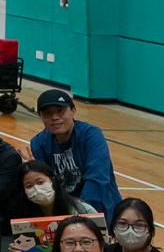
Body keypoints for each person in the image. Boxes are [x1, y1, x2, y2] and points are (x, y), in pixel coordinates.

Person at [28, 90, 119, 218]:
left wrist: (81, 213)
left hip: (99, 211)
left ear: (73, 110)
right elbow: (47, 187)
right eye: (47, 113)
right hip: (64, 215)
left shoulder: (91, 135)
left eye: (60, 111)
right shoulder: (38, 143)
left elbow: (98, 177)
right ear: (40, 117)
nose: (54, 117)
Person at [18, 159, 98, 219]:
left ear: (52, 180)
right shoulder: (22, 215)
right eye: (29, 186)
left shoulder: (83, 210)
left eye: (40, 182)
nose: (36, 189)